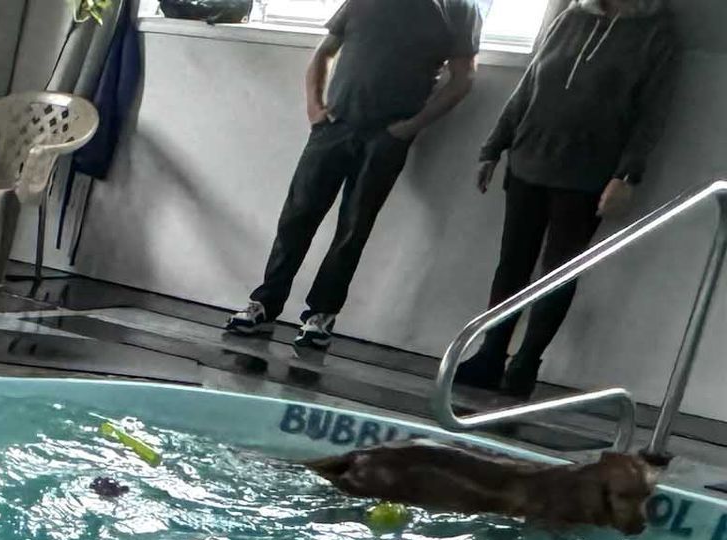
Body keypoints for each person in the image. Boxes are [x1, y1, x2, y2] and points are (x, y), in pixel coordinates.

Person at [226, 0, 482, 354]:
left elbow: (464, 77)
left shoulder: (459, 8)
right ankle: (265, 303)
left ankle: (321, 316)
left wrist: (410, 127)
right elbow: (325, 52)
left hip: (386, 137)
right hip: (334, 127)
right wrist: (315, 108)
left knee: (353, 227)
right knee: (297, 217)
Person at [455, 0, 679, 399]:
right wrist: (493, 146)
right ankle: (490, 354)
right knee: (512, 264)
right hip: (528, 160)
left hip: (588, 174)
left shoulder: (657, 35)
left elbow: (652, 116)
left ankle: (524, 364)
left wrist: (626, 175)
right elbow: (529, 85)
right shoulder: (570, 18)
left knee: (557, 271)